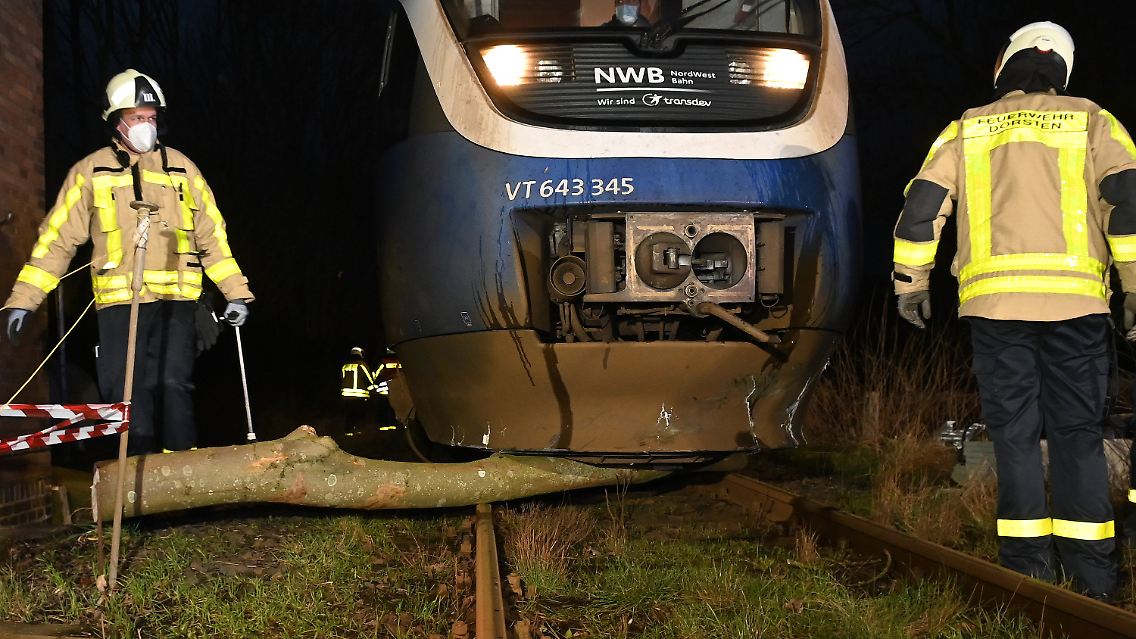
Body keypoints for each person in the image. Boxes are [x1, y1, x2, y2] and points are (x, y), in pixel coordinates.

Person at [892, 22, 1136, 601]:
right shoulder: (1094, 121)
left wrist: (910, 283)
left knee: (1016, 439)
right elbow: (1126, 204)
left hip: (995, 309)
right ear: (1062, 71)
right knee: (1078, 436)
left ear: (1008, 66)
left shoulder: (967, 127)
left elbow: (920, 209)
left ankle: (1027, 576)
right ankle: (1092, 583)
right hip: (1077, 307)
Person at [1, 69, 254, 455]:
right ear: (117, 120)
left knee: (175, 387)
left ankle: (181, 483)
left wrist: (236, 294)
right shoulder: (91, 172)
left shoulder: (183, 170)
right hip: (121, 305)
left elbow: (213, 237)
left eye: (151, 118)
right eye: (138, 118)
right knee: (128, 395)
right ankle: (136, 489)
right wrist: (24, 298)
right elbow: (57, 240)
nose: (146, 126)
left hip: (178, 302)